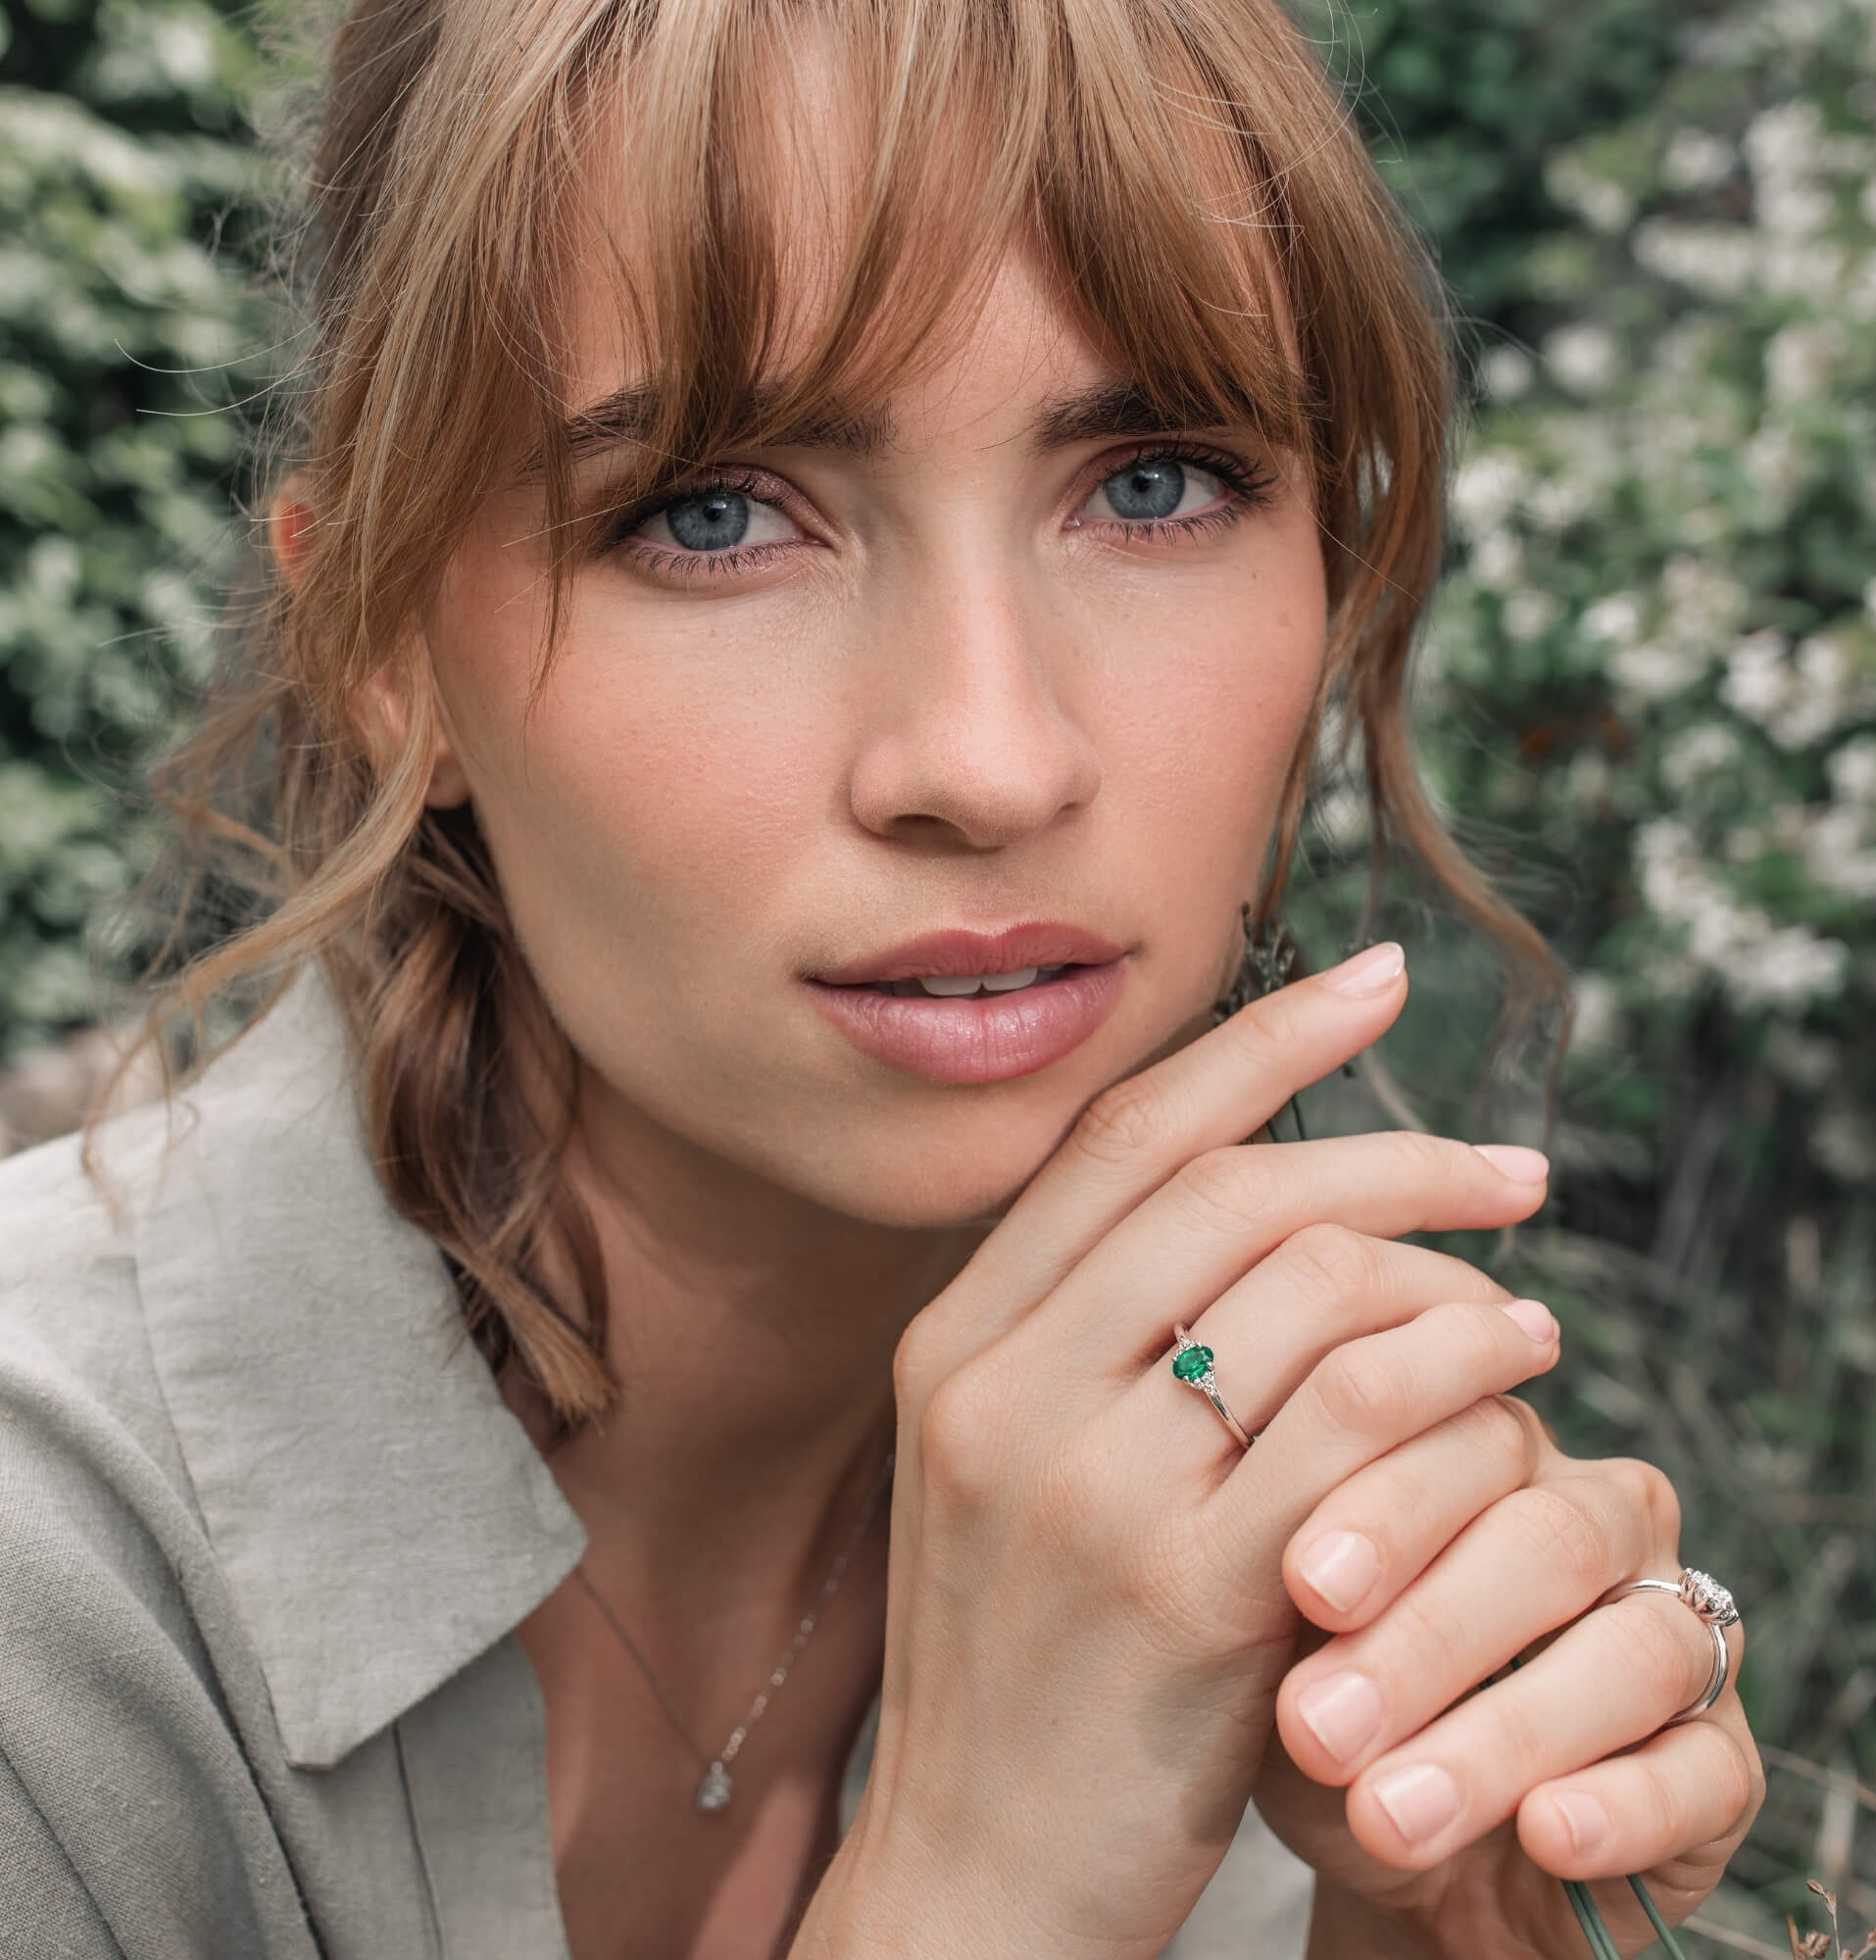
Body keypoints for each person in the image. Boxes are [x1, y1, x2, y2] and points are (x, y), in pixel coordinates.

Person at [0, 0, 1764, 1954]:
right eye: (715, 512)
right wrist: (974, 1900)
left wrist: (1439, 1928)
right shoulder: (46, 1600)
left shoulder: (1272, 1499)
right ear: (383, 637)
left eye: (1157, 482)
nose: (992, 758)